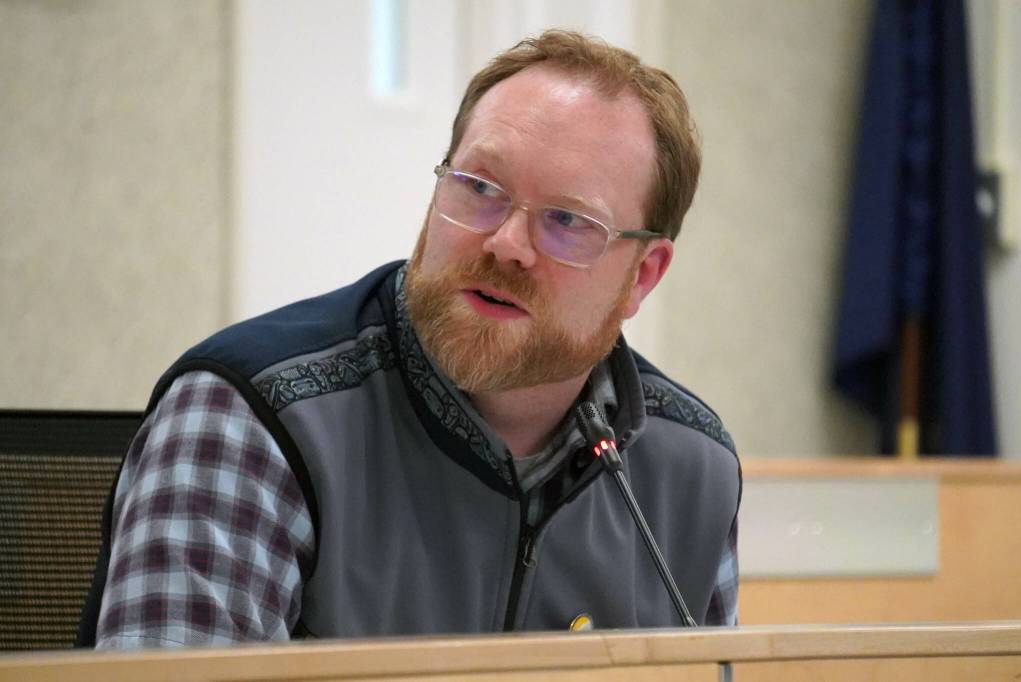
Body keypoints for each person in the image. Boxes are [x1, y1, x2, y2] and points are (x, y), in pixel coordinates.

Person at [79, 29, 740, 649]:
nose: (506, 244)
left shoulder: (691, 466)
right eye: (481, 187)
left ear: (641, 276)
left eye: (567, 220)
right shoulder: (251, 420)